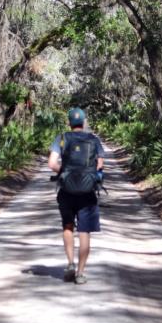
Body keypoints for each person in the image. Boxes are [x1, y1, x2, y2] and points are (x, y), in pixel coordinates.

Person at [48, 107, 104, 284]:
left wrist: (65, 172)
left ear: (69, 122)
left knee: (67, 226)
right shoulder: (93, 140)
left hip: (66, 190)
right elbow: (100, 165)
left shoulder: (62, 138)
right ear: (84, 121)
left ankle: (70, 263)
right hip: (87, 192)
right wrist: (86, 174)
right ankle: (80, 273)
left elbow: (52, 164)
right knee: (85, 232)